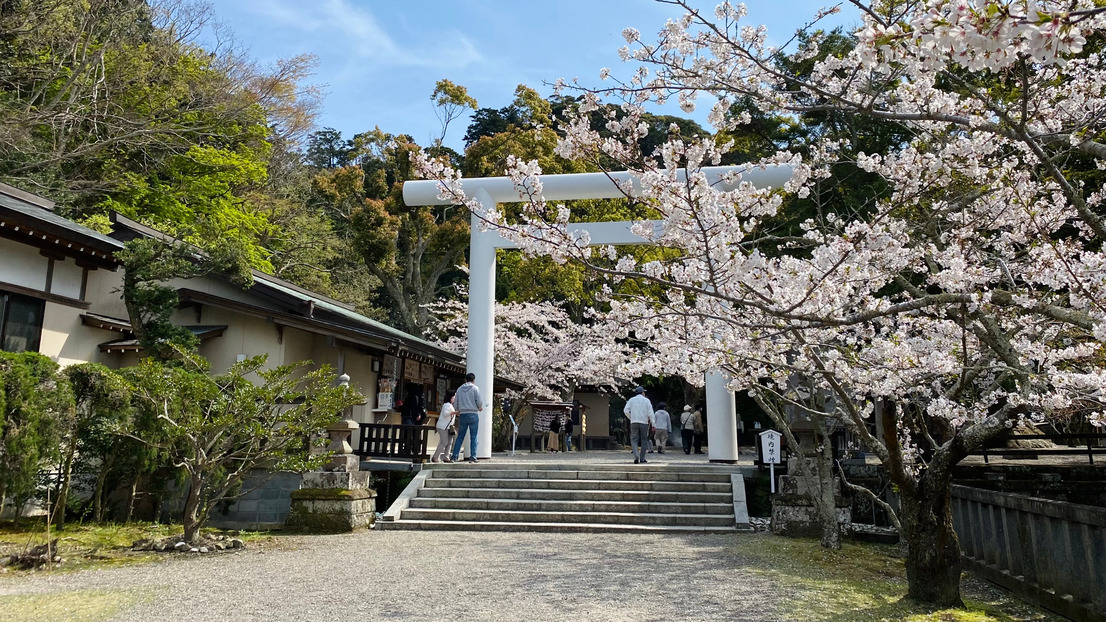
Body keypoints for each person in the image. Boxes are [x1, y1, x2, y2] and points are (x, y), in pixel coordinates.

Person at [451, 373, 483, 463]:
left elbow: (455, 402)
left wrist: (458, 410)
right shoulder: (475, 388)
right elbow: (479, 401)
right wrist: (479, 407)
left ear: (466, 379)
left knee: (460, 436)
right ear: (473, 380)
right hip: (473, 413)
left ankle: (454, 456)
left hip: (463, 414)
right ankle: (473, 457)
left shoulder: (460, 389)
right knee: (474, 436)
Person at [623, 386, 655, 464]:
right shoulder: (646, 400)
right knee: (644, 440)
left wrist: (631, 417)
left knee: (634, 440)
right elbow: (651, 413)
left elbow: (625, 410)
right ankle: (642, 458)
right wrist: (653, 424)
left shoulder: (631, 400)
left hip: (634, 422)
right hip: (644, 422)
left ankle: (636, 455)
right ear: (642, 392)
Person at [431, 390, 456, 463]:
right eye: (454, 397)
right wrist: (455, 412)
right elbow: (446, 414)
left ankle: (446, 457)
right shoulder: (447, 405)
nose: (455, 398)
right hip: (443, 427)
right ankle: (435, 457)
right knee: (444, 442)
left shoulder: (450, 405)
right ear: (451, 397)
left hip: (448, 427)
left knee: (449, 442)